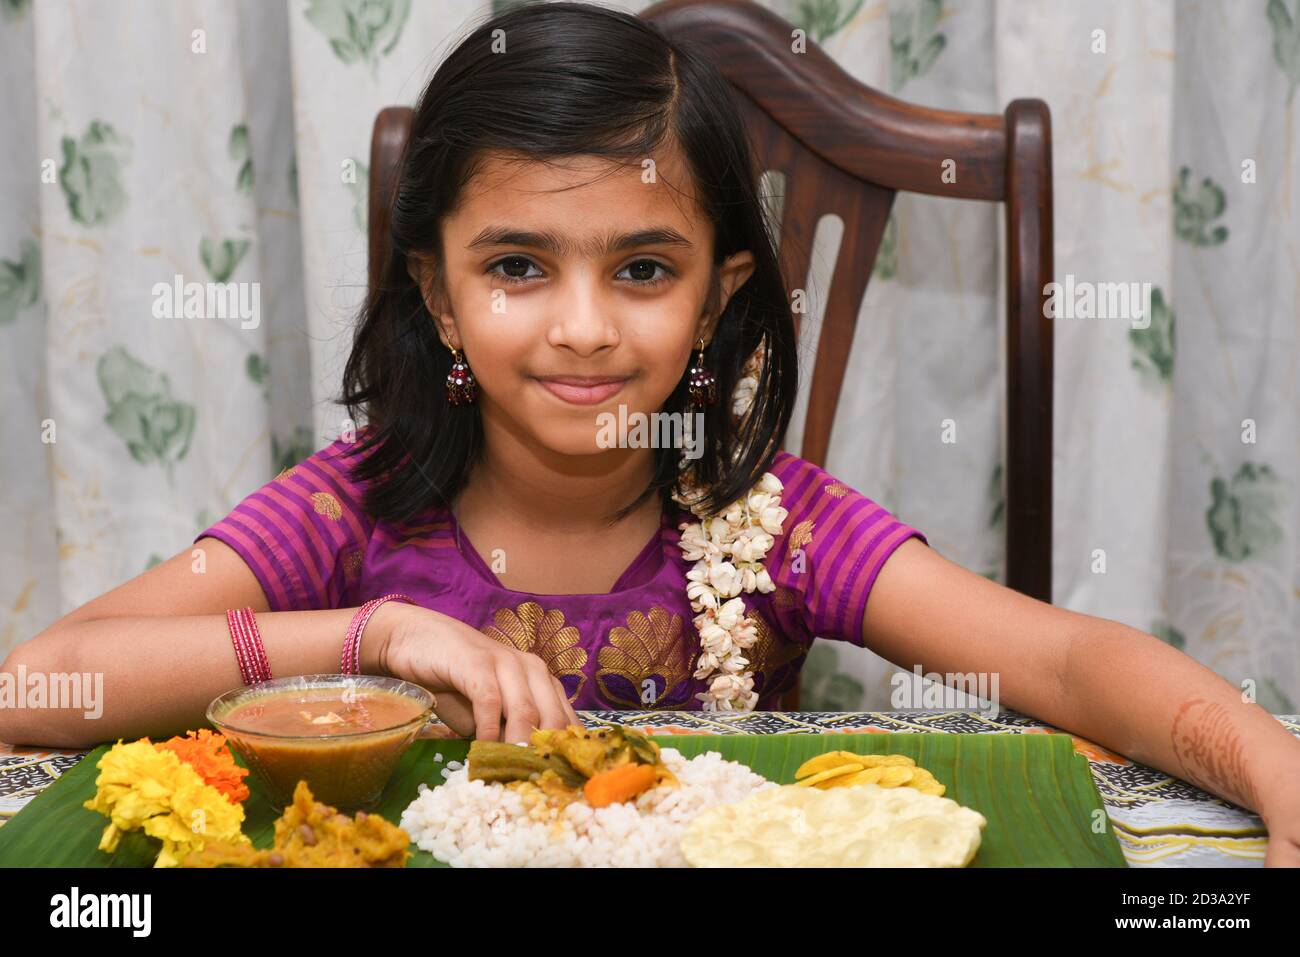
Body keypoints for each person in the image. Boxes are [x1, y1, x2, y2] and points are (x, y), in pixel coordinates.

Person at [2, 1, 1296, 864]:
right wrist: (372, 633)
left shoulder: (773, 520)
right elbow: (39, 685)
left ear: (721, 291)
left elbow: (1068, 666)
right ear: (439, 295)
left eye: (640, 269)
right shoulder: (353, 507)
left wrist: (1267, 761)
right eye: (518, 266)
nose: (582, 328)